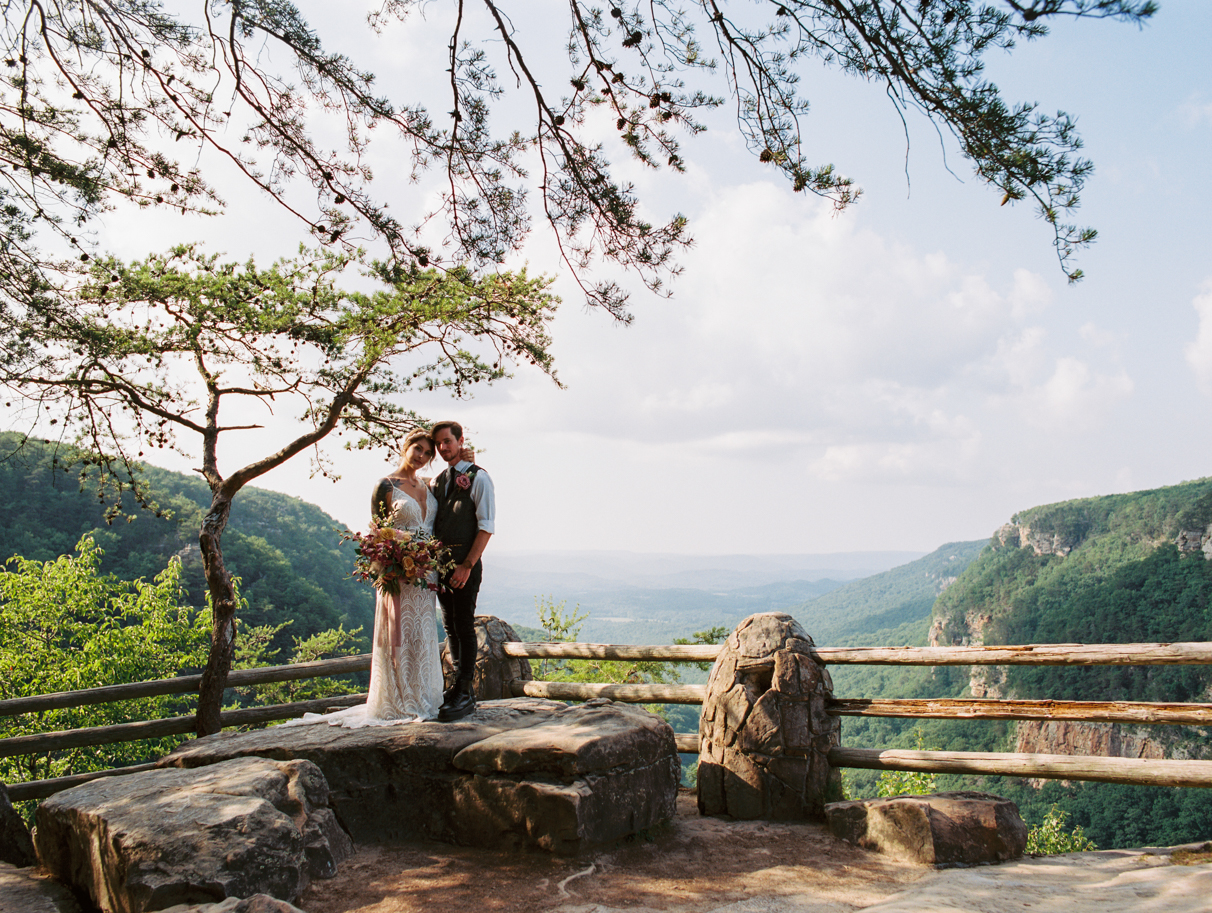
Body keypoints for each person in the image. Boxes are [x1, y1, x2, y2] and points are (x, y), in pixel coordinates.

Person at [286, 429, 444, 727]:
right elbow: (376, 533)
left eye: (427, 453)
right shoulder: (385, 485)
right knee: (399, 635)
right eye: (418, 449)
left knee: (423, 633)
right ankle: (398, 702)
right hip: (399, 572)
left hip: (427, 572)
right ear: (405, 446)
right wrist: (390, 565)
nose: (422, 456)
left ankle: (426, 696)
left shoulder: (428, 486)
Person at [430, 420, 494, 722]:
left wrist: (467, 565)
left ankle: (466, 691)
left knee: (464, 625)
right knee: (450, 626)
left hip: (464, 563)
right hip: (440, 566)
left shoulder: (479, 478)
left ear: (460, 441)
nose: (444, 447)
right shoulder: (439, 481)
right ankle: (457, 685)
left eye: (448, 441)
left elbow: (486, 526)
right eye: (439, 443)